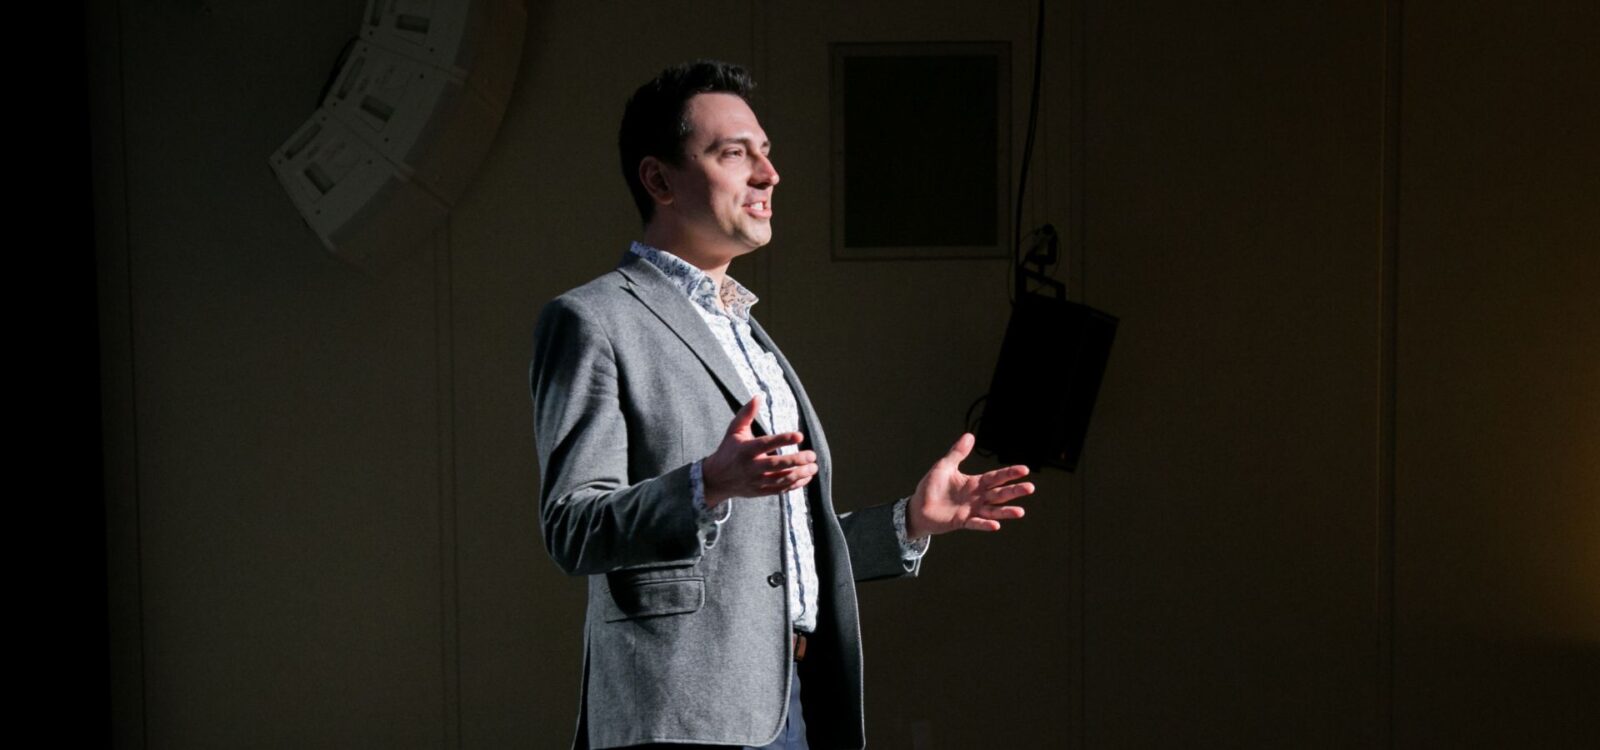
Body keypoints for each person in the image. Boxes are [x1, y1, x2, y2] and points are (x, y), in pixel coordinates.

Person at [529, 60, 1036, 750]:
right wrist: (706, 484)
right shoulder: (593, 320)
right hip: (678, 717)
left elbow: (770, 562)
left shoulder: (751, 337)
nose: (768, 175)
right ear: (659, 179)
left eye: (765, 153)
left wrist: (908, 524)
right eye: (734, 154)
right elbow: (573, 526)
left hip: (795, 708)